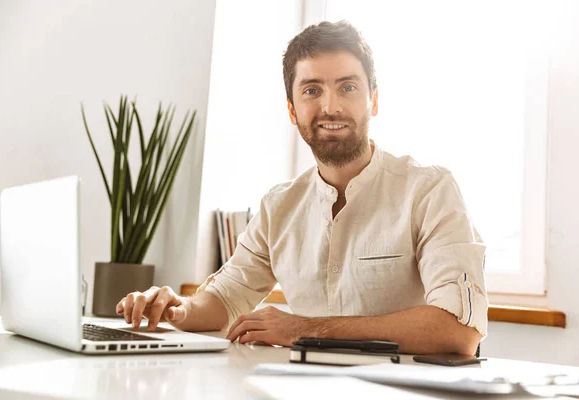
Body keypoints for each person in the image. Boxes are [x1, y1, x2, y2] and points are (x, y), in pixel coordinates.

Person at [117, 20, 488, 355]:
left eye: (348, 87)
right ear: (293, 110)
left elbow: (458, 330)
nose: (331, 107)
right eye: (312, 90)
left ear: (373, 100)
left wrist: (304, 330)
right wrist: (175, 309)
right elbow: (224, 299)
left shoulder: (429, 189)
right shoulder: (279, 206)